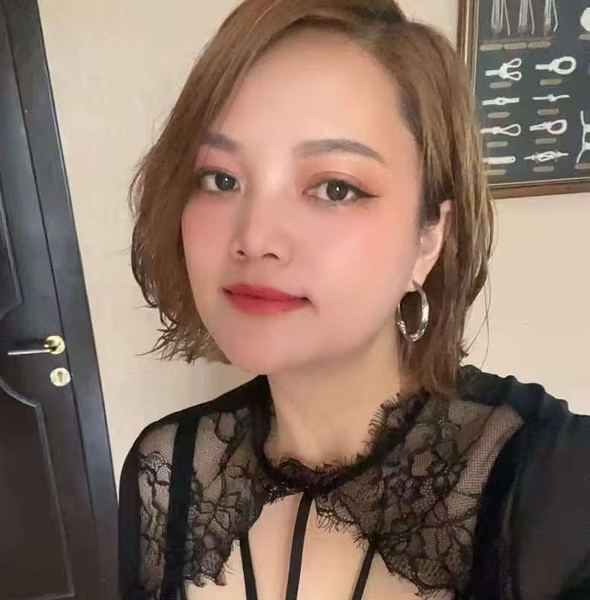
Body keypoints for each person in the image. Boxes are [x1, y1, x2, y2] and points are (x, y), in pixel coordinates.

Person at [118, 0, 590, 598]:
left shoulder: (561, 484)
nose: (255, 238)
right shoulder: (167, 469)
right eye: (221, 179)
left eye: (335, 188)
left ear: (428, 237)